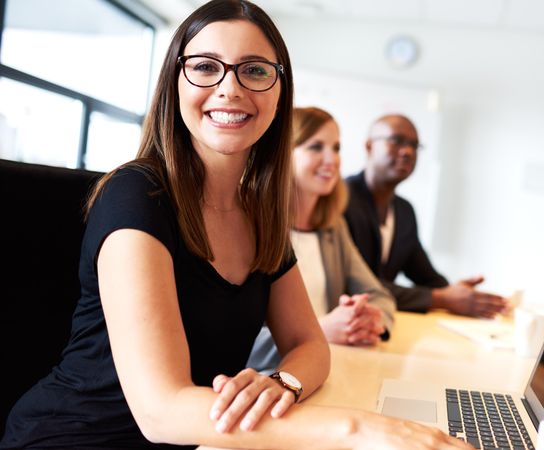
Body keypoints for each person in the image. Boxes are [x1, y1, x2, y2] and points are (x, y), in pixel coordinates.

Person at [0, 2, 471, 449]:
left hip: (207, 439)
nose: (230, 88)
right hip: (77, 437)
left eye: (255, 70)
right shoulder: (136, 194)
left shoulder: (259, 212)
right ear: (175, 82)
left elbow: (310, 344)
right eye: (205, 66)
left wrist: (281, 382)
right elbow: (161, 411)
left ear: (279, 91)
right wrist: (359, 429)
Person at [247, 107, 395, 373]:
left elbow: (378, 295)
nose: (332, 160)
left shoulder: (333, 229)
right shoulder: (249, 225)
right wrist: (318, 332)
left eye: (336, 148)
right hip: (266, 381)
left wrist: (370, 322)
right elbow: (234, 338)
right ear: (282, 154)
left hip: (324, 371)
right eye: (316, 147)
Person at [344, 114, 507, 318]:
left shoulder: (404, 211)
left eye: (415, 145)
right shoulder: (340, 200)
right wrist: (443, 298)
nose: (408, 151)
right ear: (369, 146)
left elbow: (425, 275)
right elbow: (357, 284)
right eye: (397, 141)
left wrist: (458, 292)